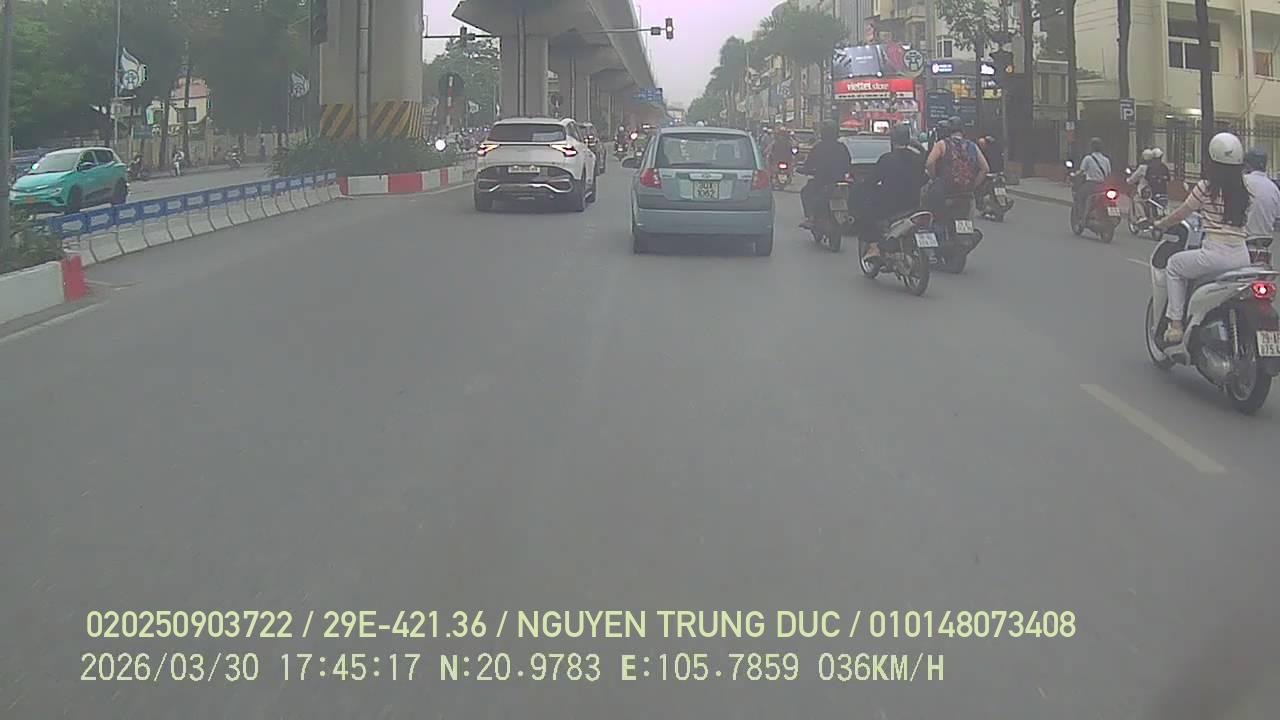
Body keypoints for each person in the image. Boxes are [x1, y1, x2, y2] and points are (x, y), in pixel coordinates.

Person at [1152, 132, 1253, 344]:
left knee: (1174, 266)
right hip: (1243, 257)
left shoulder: (1206, 188)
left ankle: (1176, 324)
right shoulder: (1245, 190)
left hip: (1214, 256)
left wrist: (1161, 224)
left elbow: (1182, 213)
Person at [860, 123, 929, 262]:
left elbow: (871, 181)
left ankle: (874, 247)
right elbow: (924, 178)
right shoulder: (918, 158)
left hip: (890, 206)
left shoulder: (886, 159)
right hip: (913, 204)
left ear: (892, 139)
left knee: (866, 210)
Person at [925, 116, 988, 214]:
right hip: (967, 193)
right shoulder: (972, 145)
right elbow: (985, 169)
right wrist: (973, 185)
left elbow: (929, 163)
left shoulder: (942, 144)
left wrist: (934, 178)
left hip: (947, 191)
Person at [798, 122, 853, 230]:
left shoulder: (819, 147)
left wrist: (804, 170)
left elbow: (808, 164)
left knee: (806, 192)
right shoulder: (842, 147)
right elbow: (848, 163)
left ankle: (811, 218)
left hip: (822, 182)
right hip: (839, 182)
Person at [1070, 137, 1112, 228]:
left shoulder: (1088, 158)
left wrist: (1074, 174)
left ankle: (1081, 217)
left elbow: (1081, 171)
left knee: (1079, 196)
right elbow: (1108, 174)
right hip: (1103, 186)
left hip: (1091, 185)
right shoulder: (1106, 160)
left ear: (1091, 147)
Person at [1243, 147, 1280, 244]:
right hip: (1266, 240)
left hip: (1244, 239)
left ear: (1247, 165)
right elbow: (1277, 217)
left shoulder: (1244, 181)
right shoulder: (1274, 188)